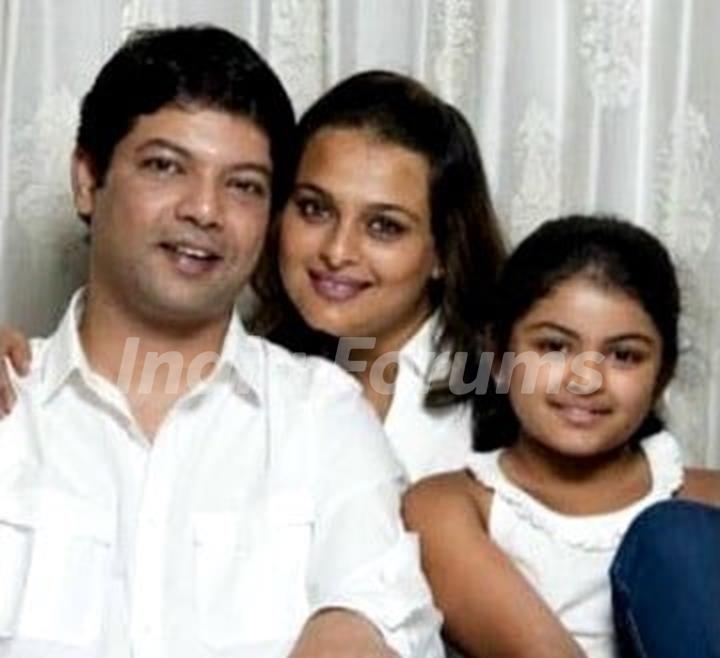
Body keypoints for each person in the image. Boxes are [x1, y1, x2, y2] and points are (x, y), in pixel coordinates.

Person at [0, 25, 443, 658]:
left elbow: (380, 619)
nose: (205, 211)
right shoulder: (11, 410)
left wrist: (353, 627)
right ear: (87, 180)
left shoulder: (323, 416)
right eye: (165, 166)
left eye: (243, 185)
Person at [0, 70, 507, 483]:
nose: (336, 251)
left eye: (383, 226)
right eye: (314, 208)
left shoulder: (516, 394)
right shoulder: (247, 379)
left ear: (442, 251)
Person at [403, 215, 720, 657]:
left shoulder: (705, 504)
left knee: (676, 538)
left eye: (624, 355)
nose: (586, 379)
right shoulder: (448, 508)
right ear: (498, 357)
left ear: (662, 374)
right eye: (554, 347)